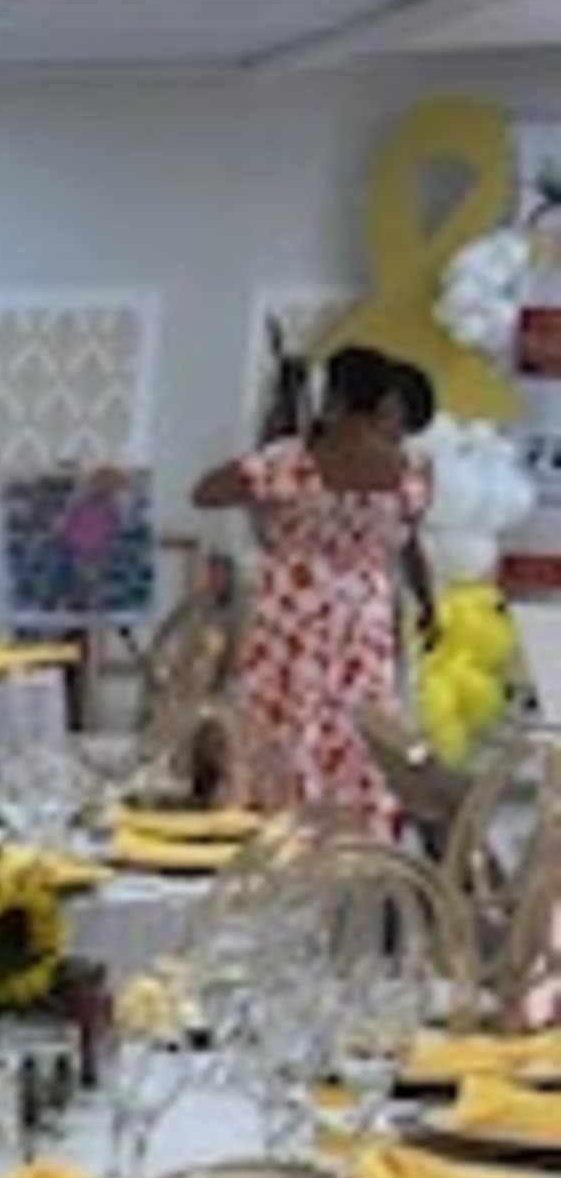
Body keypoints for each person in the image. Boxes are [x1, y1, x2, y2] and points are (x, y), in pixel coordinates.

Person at [193, 343, 438, 832]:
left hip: (293, 608)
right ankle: (356, 835)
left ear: (335, 397)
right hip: (364, 614)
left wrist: (273, 466)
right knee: (360, 727)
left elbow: (206, 492)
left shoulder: (291, 461)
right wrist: (429, 602)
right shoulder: (408, 472)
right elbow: (410, 543)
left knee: (284, 720)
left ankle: (276, 830)